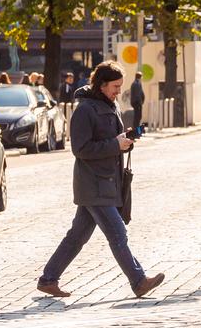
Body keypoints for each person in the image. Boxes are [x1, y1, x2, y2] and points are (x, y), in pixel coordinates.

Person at [37, 61, 164, 299]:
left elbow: (108, 140)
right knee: (117, 233)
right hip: (93, 184)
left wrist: (124, 141)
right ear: (102, 84)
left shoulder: (109, 105)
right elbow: (80, 148)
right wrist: (115, 145)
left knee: (78, 236)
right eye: (115, 86)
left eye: (119, 86)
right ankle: (138, 281)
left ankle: (48, 279)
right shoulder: (85, 110)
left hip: (106, 182)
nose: (118, 91)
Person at [129, 71, 146, 136]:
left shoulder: (136, 83)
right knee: (137, 118)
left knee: (138, 117)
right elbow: (138, 94)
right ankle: (137, 132)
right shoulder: (136, 84)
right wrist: (140, 102)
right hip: (137, 103)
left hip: (137, 103)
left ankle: (138, 131)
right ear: (140, 77)